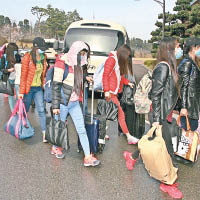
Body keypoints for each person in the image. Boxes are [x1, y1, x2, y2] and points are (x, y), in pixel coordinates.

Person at [123, 38, 183, 199]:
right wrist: (156, 119)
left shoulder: (170, 66)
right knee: (168, 150)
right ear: (169, 49)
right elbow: (155, 95)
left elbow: (170, 94)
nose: (180, 49)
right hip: (160, 115)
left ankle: (132, 156)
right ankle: (169, 183)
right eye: (177, 47)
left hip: (165, 113)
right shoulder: (163, 67)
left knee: (154, 142)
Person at [52, 41, 100, 167]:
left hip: (74, 103)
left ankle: (88, 157)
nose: (83, 56)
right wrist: (56, 106)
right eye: (81, 53)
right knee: (60, 127)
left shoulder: (78, 64)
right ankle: (55, 146)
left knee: (81, 129)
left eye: (84, 54)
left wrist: (86, 78)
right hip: (63, 102)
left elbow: (76, 78)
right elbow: (56, 85)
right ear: (75, 51)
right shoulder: (62, 63)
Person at [102, 44, 137, 144]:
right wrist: (107, 90)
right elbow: (105, 75)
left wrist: (127, 82)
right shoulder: (112, 60)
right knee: (120, 114)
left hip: (113, 93)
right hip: (110, 93)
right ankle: (129, 136)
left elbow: (119, 77)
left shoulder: (117, 60)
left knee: (109, 115)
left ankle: (101, 133)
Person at [19, 37, 48, 142]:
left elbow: (43, 74)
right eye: (41, 48)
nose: (43, 50)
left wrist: (43, 83)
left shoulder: (43, 57)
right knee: (24, 110)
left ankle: (45, 134)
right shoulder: (27, 57)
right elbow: (23, 76)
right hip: (28, 89)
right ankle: (21, 129)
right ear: (36, 47)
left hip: (38, 88)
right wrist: (21, 92)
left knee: (41, 110)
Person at [178, 37, 200, 132]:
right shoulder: (187, 63)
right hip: (189, 107)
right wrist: (184, 107)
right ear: (194, 48)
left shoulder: (192, 62)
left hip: (193, 104)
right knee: (188, 135)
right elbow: (183, 86)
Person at [0, 43, 18, 111]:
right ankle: (13, 111)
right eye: (14, 50)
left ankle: (17, 108)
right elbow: (1, 69)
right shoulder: (3, 58)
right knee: (11, 96)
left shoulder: (17, 56)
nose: (15, 51)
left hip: (17, 79)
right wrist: (8, 70)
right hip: (8, 79)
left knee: (19, 95)